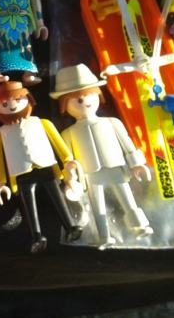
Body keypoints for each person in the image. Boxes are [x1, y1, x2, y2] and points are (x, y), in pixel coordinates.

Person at [50, 64, 152, 246]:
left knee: (129, 200)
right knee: (97, 207)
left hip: (116, 167)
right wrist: (71, 179)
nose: (85, 101)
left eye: (90, 95)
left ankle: (140, 226)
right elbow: (67, 159)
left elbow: (128, 145)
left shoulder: (113, 122)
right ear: (65, 104)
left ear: (98, 95)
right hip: (90, 174)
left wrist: (136, 164)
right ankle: (104, 236)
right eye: (77, 99)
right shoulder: (68, 133)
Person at [0, 82, 82, 253]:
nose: (12, 106)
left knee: (57, 196)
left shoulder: (42, 123)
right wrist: (1, 183)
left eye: (18, 100)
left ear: (29, 99)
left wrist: (68, 160)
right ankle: (37, 237)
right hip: (22, 173)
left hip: (45, 166)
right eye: (4, 104)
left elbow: (58, 144)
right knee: (29, 205)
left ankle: (71, 227)